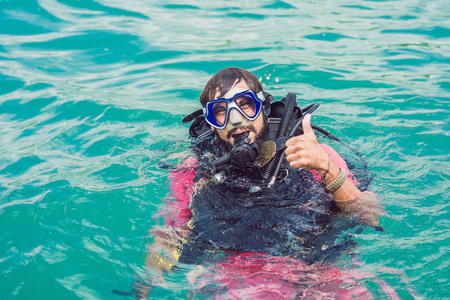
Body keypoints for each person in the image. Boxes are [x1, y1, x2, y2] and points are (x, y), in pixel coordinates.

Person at [130, 67, 387, 299]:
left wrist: (327, 169)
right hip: (239, 274)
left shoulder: (315, 155)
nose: (236, 120)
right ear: (211, 123)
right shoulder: (194, 170)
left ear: (263, 108)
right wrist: (146, 283)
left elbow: (371, 217)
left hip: (321, 266)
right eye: (221, 111)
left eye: (246, 105)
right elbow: (170, 233)